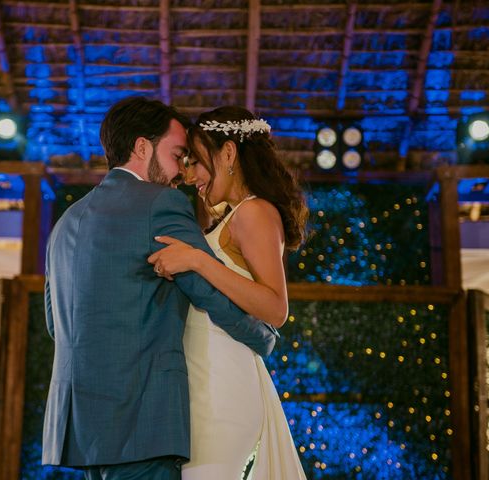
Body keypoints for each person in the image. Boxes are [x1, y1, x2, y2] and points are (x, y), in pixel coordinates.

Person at [41, 97, 278, 480]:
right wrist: (263, 336)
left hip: (80, 431)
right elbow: (207, 291)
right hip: (142, 423)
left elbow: (57, 324)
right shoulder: (160, 203)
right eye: (178, 155)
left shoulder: (65, 223)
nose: (180, 174)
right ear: (141, 147)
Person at [148, 106, 309, 479]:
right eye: (185, 163)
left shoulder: (254, 212)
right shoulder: (231, 216)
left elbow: (275, 307)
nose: (189, 176)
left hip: (222, 389)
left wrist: (198, 261)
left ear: (229, 153)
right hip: (206, 381)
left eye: (196, 162)